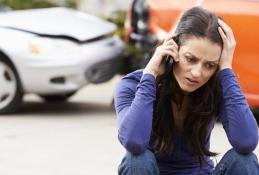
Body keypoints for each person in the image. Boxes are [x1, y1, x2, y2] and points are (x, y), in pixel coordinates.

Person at [114, 7, 259, 175]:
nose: (197, 73)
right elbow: (134, 142)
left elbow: (246, 142)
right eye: (190, 59)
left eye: (209, 65)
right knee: (137, 160)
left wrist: (226, 68)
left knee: (244, 161)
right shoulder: (132, 85)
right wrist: (151, 74)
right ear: (173, 48)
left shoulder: (216, 87)